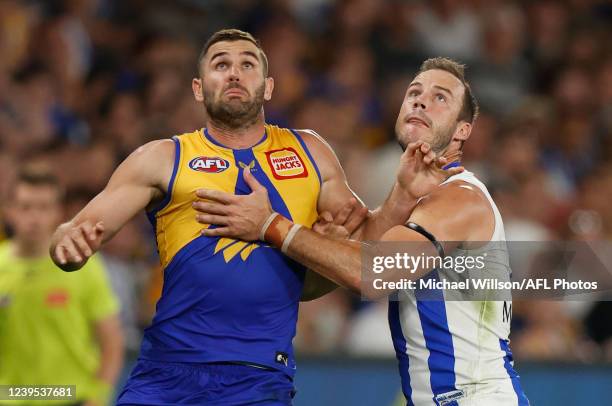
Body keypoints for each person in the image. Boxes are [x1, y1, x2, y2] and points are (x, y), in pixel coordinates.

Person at [49, 29, 458, 405]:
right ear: (198, 88)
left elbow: (364, 251)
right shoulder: (162, 158)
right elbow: (77, 232)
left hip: (259, 378)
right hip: (165, 373)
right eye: (220, 64)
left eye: (248, 64)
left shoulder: (309, 153)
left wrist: (399, 196)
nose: (234, 74)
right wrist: (67, 245)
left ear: (268, 87)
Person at [194, 57, 530, 405]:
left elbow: (369, 273)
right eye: (414, 92)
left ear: (462, 130)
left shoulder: (460, 199)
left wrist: (270, 224)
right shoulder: (425, 200)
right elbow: (337, 269)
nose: (420, 100)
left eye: (440, 97)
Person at [0, 167, 123, 406]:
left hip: (72, 397)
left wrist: (98, 396)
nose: (34, 217)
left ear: (58, 212)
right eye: (26, 207)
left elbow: (112, 342)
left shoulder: (82, 264)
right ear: (9, 211)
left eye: (44, 207)